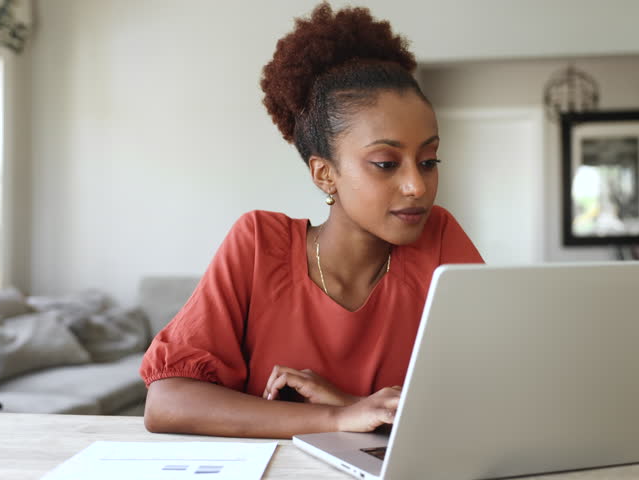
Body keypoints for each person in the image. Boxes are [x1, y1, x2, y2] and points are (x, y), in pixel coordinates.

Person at [140, 2, 483, 439]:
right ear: (325, 173)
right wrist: (336, 420)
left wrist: (353, 404)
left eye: (429, 160)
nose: (417, 185)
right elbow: (168, 402)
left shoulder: (439, 238)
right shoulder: (259, 243)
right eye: (385, 163)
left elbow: (492, 398)